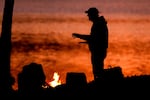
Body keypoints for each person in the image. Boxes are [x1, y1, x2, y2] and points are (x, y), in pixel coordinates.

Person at [72, 7, 108, 80]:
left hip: (98, 51)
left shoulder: (98, 24)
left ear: (93, 15)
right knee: (98, 70)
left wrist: (79, 36)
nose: (88, 16)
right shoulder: (99, 23)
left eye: (89, 14)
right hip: (99, 51)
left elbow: (93, 38)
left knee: (97, 71)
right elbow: (96, 38)